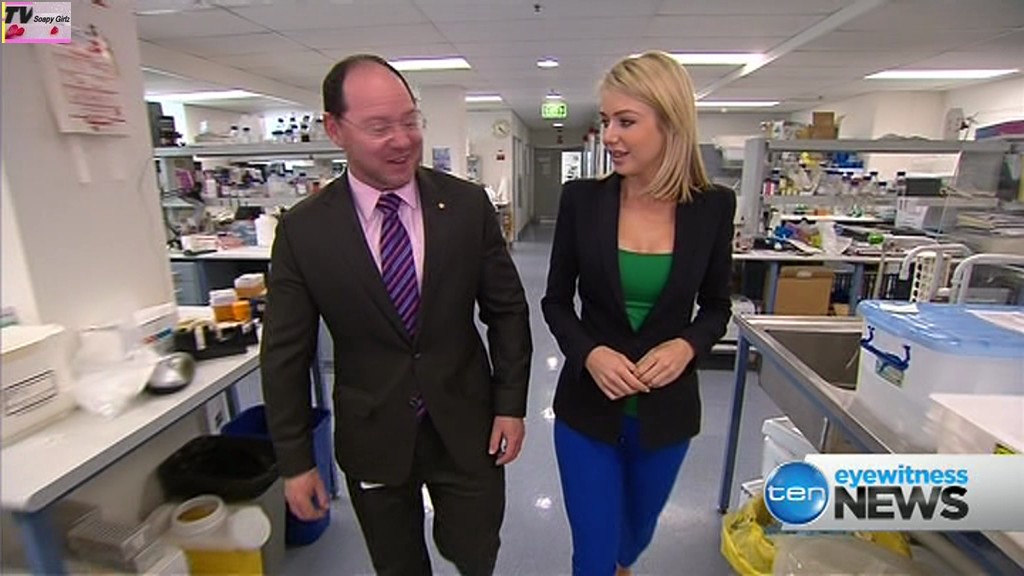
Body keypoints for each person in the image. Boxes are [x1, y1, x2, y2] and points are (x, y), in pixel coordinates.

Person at [260, 53, 533, 576]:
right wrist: (295, 462)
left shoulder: (466, 206)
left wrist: (510, 405)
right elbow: (284, 355)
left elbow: (507, 311)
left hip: (467, 424)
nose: (402, 140)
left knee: (474, 551)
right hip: (373, 433)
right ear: (334, 129)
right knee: (397, 565)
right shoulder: (304, 231)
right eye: (379, 127)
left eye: (410, 121)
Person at [541, 51, 735, 576]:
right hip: (587, 410)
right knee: (594, 555)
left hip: (666, 414)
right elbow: (556, 300)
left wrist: (686, 346)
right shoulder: (582, 200)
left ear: (670, 124)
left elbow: (717, 306)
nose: (610, 136)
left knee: (633, 538)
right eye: (606, 121)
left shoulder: (713, 207)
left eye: (626, 121)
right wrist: (590, 354)